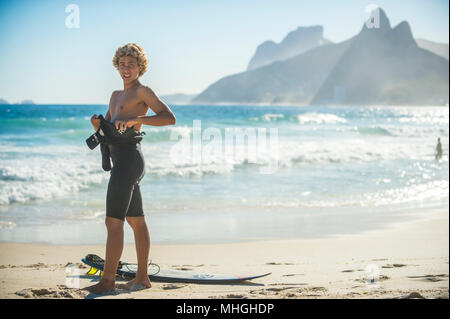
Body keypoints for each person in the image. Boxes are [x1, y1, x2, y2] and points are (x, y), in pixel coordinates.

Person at [84, 43, 176, 294]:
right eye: (122, 64)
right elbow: (108, 132)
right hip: (122, 161)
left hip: (129, 162)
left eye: (131, 64)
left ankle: (108, 281)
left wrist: (137, 119)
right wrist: (97, 125)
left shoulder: (143, 92)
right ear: (117, 66)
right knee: (136, 220)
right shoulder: (115, 96)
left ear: (140, 67)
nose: (126, 69)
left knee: (113, 222)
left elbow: (169, 117)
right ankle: (142, 278)